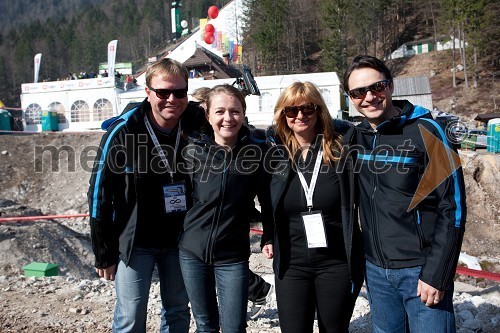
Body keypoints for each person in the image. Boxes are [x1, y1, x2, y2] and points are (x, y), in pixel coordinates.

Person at [343, 55, 467, 332]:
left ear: (391, 87)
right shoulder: (355, 136)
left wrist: (437, 273)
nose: (369, 97)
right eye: (358, 92)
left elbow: (453, 207)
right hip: (375, 271)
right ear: (350, 98)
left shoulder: (426, 130)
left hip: (420, 270)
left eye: (377, 87)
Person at [88, 58, 206, 333]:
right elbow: (98, 193)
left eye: (179, 92)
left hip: (181, 238)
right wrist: (103, 251)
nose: (172, 100)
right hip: (135, 240)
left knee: (177, 311)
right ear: (148, 92)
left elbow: (232, 130)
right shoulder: (124, 130)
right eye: (163, 92)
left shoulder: (196, 123)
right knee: (130, 316)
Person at [261, 81, 364, 333]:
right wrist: (268, 234)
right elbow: (266, 199)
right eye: (291, 110)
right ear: (282, 115)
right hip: (291, 264)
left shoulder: (343, 148)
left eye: (308, 109)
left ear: (319, 110)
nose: (300, 116)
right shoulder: (274, 153)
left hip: (335, 262)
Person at [178, 84, 267, 332]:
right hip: (192, 252)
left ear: (243, 113)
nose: (228, 118)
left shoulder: (256, 153)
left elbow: (269, 199)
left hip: (232, 256)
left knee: (234, 328)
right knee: (205, 325)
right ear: (208, 116)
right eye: (220, 112)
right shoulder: (192, 151)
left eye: (234, 111)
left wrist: (269, 234)